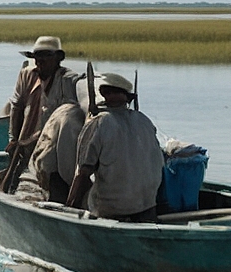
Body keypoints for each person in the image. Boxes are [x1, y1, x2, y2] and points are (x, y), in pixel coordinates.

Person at [68, 72, 163, 222]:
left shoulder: (99, 123)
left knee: (86, 193)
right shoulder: (145, 120)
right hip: (148, 207)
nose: (111, 95)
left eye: (113, 92)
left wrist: (70, 207)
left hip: (112, 210)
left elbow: (83, 172)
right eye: (109, 92)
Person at [2, 35, 78, 190]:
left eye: (46, 57)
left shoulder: (67, 81)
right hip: (27, 143)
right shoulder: (28, 75)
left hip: (55, 147)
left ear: (58, 58)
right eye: (37, 57)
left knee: (53, 181)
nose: (40, 62)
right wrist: (14, 138)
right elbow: (16, 107)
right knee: (14, 179)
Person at [15, 98, 83, 205]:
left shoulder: (69, 114)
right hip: (53, 171)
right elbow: (67, 167)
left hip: (48, 165)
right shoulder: (71, 119)